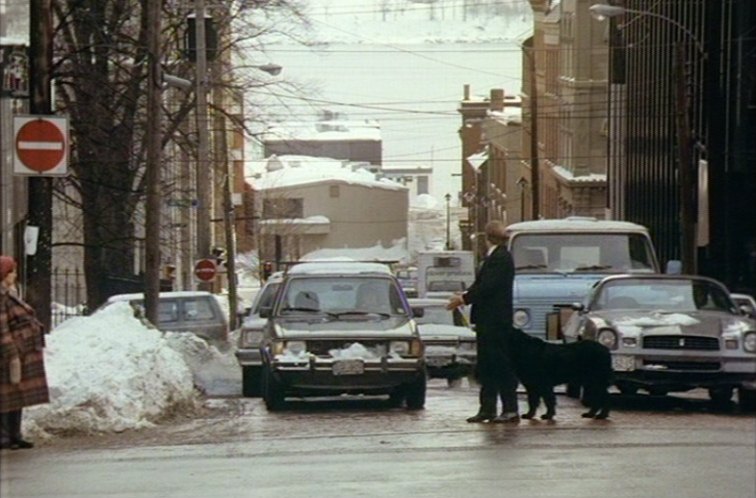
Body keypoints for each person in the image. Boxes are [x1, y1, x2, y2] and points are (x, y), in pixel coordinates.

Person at [446, 221, 519, 423]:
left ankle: (509, 409)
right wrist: (466, 294)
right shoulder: (495, 257)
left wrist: (463, 299)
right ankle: (487, 409)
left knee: (499, 365)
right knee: (487, 366)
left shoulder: (500, 258)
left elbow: (488, 286)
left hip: (495, 321)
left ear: (487, 238)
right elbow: (481, 285)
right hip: (489, 321)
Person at [0, 256, 49, 450]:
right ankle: (4, 436)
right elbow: (2, 329)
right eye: (11, 271)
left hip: (22, 353)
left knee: (17, 394)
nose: (15, 275)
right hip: (9, 356)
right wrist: (12, 354)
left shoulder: (10, 294)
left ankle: (15, 435)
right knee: (5, 396)